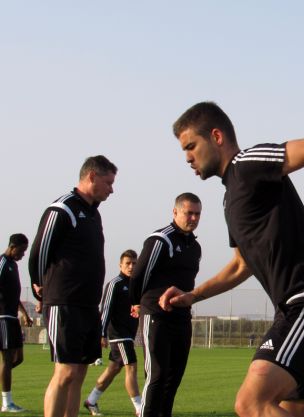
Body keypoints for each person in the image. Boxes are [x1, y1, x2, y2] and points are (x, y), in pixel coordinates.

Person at [160, 101, 304, 417]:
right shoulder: (230, 199)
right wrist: (193, 296)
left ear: (216, 136)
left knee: (250, 403)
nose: (187, 157)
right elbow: (241, 266)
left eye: (190, 146)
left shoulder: (247, 164)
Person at [28, 155, 117, 417]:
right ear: (92, 176)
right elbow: (39, 253)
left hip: (88, 304)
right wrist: (39, 286)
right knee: (65, 372)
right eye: (108, 182)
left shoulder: (93, 214)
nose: (112, 189)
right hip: (64, 302)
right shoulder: (62, 209)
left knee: (79, 372)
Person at [129, 193, 202, 417]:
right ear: (175, 212)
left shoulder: (195, 247)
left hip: (182, 318)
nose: (193, 218)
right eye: (188, 213)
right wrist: (136, 302)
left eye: (197, 214)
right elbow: (139, 274)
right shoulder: (161, 240)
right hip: (157, 317)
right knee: (157, 376)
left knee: (174, 378)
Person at [84, 250, 141, 416]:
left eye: (134, 263)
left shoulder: (136, 284)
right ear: (120, 265)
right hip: (118, 334)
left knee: (113, 370)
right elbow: (106, 309)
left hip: (129, 333)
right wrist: (101, 334)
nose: (131, 267)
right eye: (128, 263)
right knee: (131, 366)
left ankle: (91, 400)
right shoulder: (115, 283)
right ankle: (139, 408)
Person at [0, 234, 32, 413]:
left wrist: (25, 314)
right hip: (3, 317)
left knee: (18, 358)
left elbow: (13, 293)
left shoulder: (13, 265)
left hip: (13, 318)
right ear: (13, 247)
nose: (23, 254)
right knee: (6, 358)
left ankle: (4, 381)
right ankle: (7, 403)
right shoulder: (3, 263)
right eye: (22, 250)